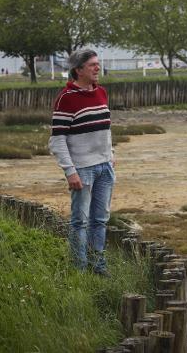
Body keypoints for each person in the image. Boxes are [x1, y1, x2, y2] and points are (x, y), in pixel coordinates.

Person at [48, 49, 115, 276]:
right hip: (82, 169)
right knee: (80, 222)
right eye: (92, 65)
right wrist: (70, 171)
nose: (97, 68)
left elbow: (104, 129)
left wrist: (110, 155)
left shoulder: (102, 93)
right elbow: (57, 140)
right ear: (78, 70)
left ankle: (99, 267)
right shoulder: (66, 98)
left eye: (98, 64)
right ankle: (79, 270)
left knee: (100, 220)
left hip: (105, 167)